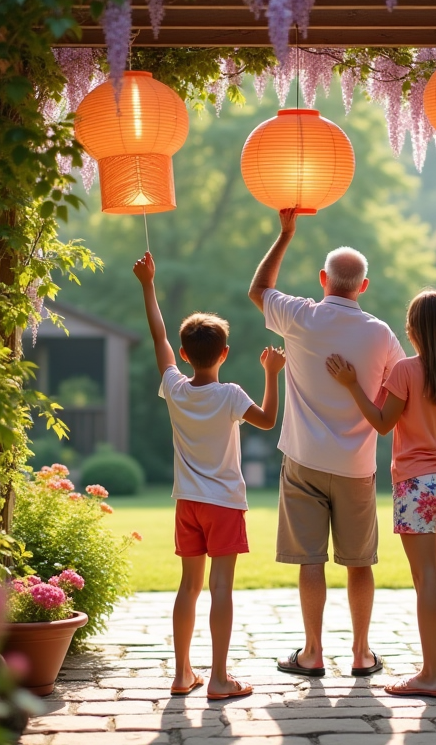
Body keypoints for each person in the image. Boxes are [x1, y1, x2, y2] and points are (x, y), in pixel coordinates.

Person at [325, 241, 436, 698]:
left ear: (413, 329)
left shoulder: (403, 372)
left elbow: (381, 425)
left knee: (426, 582)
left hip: (416, 485)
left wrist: (352, 385)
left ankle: (429, 677)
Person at [248, 209, 406, 678]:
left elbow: (258, 289)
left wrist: (285, 233)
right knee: (359, 562)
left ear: (323, 279)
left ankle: (312, 653)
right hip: (357, 466)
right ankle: (361, 653)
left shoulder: (300, 317)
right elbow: (402, 385)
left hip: (303, 460)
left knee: (310, 560)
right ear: (363, 286)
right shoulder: (380, 333)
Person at [133, 251, 285, 700]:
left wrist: (148, 284)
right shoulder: (232, 395)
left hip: (188, 503)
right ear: (225, 353)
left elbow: (157, 333)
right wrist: (271, 374)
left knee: (189, 586)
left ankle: (183, 673)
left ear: (185, 355)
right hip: (224, 505)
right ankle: (218, 678)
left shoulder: (175, 388)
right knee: (221, 588)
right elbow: (268, 420)